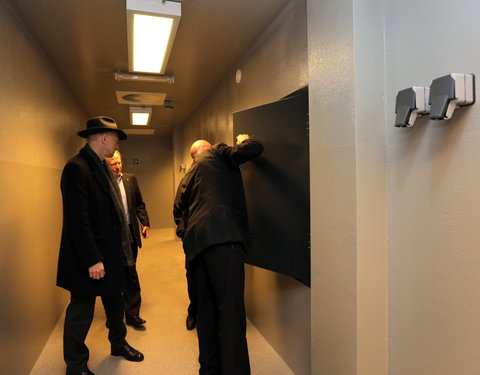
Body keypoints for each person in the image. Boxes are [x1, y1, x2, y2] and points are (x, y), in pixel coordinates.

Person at [56, 116, 144, 375]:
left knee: (115, 303)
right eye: (115, 137)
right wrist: (92, 259)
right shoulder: (77, 167)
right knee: (81, 311)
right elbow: (77, 221)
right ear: (104, 138)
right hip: (89, 258)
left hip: (111, 253)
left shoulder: (103, 166)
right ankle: (75, 365)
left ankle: (118, 344)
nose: (117, 143)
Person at [173, 134, 263, 375]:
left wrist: (188, 235)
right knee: (231, 311)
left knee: (207, 312)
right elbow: (253, 150)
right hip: (223, 240)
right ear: (207, 148)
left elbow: (177, 212)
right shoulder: (216, 153)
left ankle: (209, 369)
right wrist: (244, 140)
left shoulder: (187, 176)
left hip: (196, 249)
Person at [105, 150, 150, 328]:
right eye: (113, 164)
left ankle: (133, 315)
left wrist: (144, 223)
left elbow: (139, 204)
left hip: (130, 235)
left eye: (119, 163)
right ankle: (115, 316)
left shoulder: (131, 179)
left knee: (131, 273)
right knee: (114, 276)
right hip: (112, 238)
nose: (117, 167)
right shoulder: (102, 183)